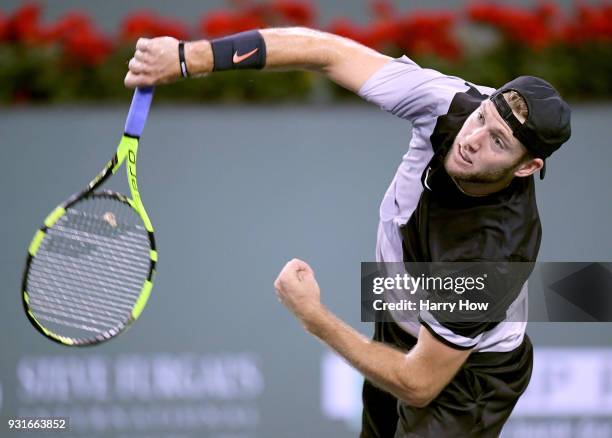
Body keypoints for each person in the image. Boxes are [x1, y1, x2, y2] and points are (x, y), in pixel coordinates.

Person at [125, 27, 571, 437]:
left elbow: (417, 384)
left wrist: (313, 317)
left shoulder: (491, 255)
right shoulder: (453, 103)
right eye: (482, 120)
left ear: (528, 167)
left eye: (498, 142)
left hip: (466, 375)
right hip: (403, 308)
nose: (474, 138)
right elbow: (326, 53)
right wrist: (188, 57)